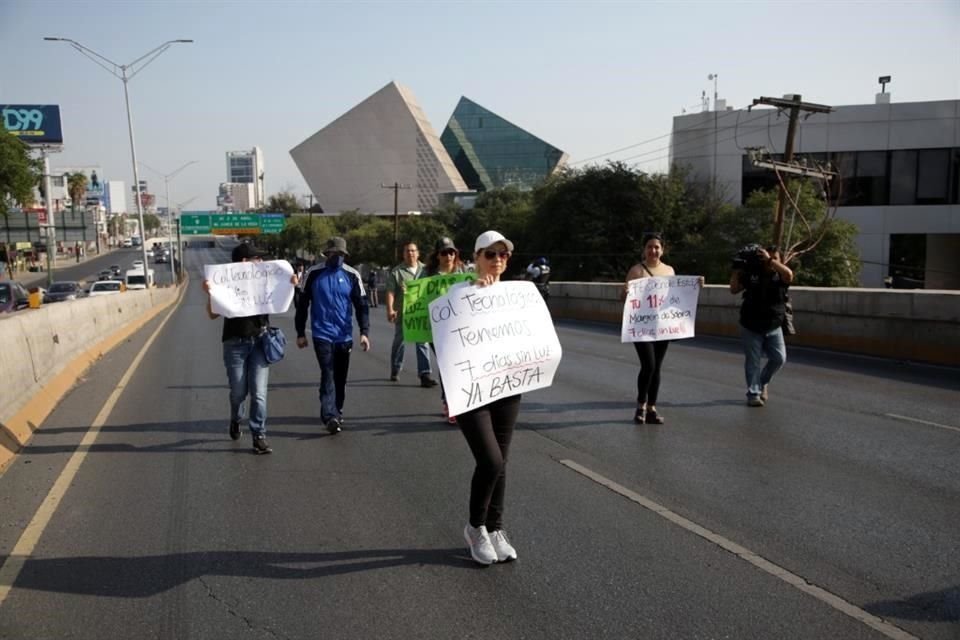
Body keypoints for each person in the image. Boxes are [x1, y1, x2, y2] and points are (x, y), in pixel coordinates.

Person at [456, 230, 522, 566]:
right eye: (490, 254)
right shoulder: (459, 293)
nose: (498, 260)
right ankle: (475, 526)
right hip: (471, 390)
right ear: (476, 257)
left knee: (502, 462)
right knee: (491, 460)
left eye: (503, 255)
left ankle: (496, 528)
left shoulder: (516, 295)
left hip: (508, 386)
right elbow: (446, 346)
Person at [204, 242, 283, 455]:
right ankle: (236, 418)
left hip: (259, 342)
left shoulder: (264, 281)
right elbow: (212, 314)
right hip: (235, 345)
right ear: (244, 262)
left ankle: (259, 435)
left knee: (259, 394)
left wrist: (291, 284)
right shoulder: (227, 283)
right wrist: (210, 293)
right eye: (257, 259)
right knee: (238, 393)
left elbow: (281, 297)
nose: (261, 262)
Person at [295, 237, 371, 434]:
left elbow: (362, 305)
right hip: (321, 333)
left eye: (341, 254)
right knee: (327, 372)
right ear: (327, 254)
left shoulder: (352, 275)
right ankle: (329, 415)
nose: (337, 257)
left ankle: (337, 409)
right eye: (334, 253)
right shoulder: (313, 273)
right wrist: (300, 332)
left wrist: (364, 332)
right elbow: (302, 304)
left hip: (344, 335)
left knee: (340, 376)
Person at [729, 244, 794, 407]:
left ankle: (762, 382)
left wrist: (770, 260)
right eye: (764, 258)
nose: (768, 262)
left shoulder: (780, 276)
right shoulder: (752, 273)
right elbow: (734, 289)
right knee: (753, 361)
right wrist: (737, 270)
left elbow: (788, 274)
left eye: (774, 258)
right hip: (750, 324)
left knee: (779, 359)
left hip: (774, 325)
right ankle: (753, 394)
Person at [623, 232, 675, 424]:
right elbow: (625, 299)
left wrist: (695, 286)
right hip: (642, 326)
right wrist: (626, 292)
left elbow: (676, 297)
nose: (653, 250)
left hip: (662, 326)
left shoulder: (669, 271)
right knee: (649, 365)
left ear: (662, 250)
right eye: (649, 247)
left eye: (657, 247)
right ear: (644, 250)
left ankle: (652, 408)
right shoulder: (637, 271)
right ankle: (640, 406)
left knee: (657, 368)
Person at [423, 236, 468, 424]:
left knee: (461, 366)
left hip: (461, 328)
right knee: (447, 365)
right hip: (438, 330)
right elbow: (417, 296)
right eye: (444, 252)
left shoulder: (464, 272)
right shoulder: (428, 275)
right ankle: (450, 403)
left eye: (452, 252)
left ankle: (463, 401)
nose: (448, 256)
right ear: (438, 255)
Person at [385, 241, 437, 387]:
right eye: (407, 251)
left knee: (422, 342)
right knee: (400, 342)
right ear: (403, 254)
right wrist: (390, 309)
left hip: (421, 314)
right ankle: (395, 368)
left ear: (418, 253)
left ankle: (425, 374)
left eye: (413, 251)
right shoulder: (397, 272)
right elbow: (390, 292)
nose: (410, 253)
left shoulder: (426, 270)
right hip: (403, 313)